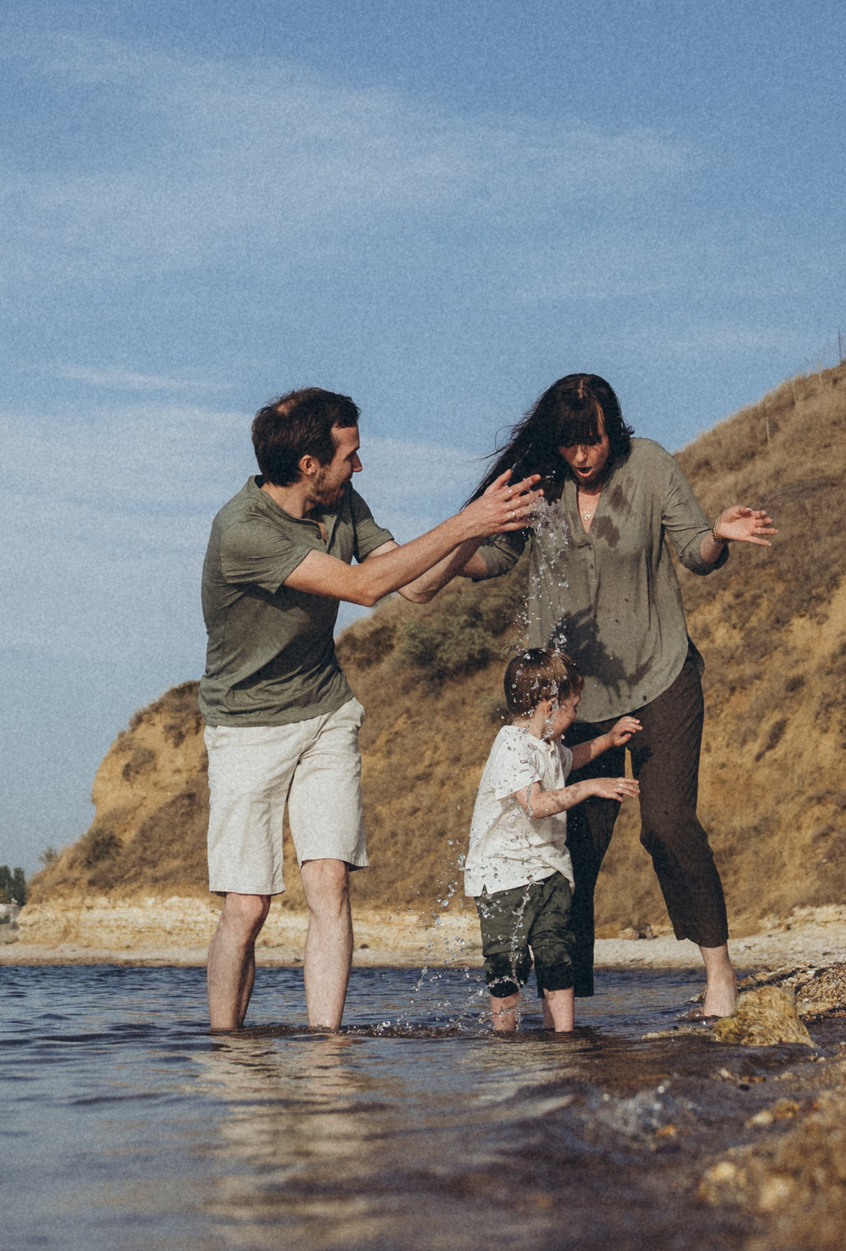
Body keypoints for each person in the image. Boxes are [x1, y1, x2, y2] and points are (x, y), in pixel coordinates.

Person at [405, 374, 774, 1017]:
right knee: (569, 849)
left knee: (668, 825)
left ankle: (720, 972)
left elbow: (696, 551)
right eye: (570, 444)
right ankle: (564, 1019)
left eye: (593, 441)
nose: (583, 456)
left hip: (662, 675)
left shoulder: (651, 466)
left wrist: (719, 533)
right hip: (571, 701)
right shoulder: (543, 485)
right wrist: (459, 535)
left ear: (614, 428)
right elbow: (492, 560)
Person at [199, 387, 543, 1031]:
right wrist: (467, 522)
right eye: (350, 455)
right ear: (309, 464)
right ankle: (227, 1052)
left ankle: (325, 1051)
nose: (359, 467)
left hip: (325, 710)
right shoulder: (243, 530)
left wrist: (489, 534)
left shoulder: (340, 504)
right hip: (245, 726)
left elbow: (412, 585)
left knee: (329, 881)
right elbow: (362, 587)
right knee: (247, 907)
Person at [463, 648, 643, 1033]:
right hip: (502, 875)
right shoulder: (511, 747)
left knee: (556, 953)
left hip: (549, 867)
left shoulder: (545, 745)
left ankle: (563, 1036)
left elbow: (570, 759)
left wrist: (608, 741)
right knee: (505, 960)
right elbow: (537, 804)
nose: (575, 715)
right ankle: (504, 1035)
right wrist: (593, 786)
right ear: (548, 707)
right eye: (573, 707)